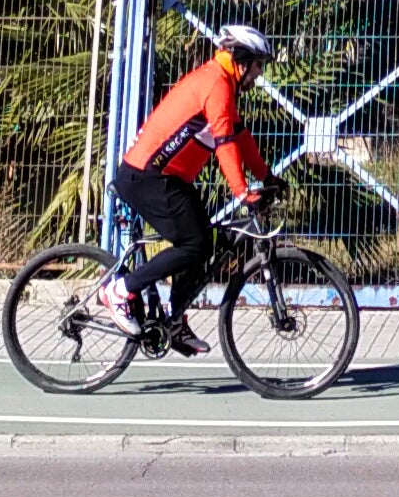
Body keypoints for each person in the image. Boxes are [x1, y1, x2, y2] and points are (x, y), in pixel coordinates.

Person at [113, 20, 276, 352]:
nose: (259, 74)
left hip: (169, 179)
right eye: (259, 65)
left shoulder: (224, 85)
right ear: (243, 59)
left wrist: (269, 178)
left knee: (204, 242)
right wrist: (244, 192)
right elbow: (225, 143)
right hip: (146, 176)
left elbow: (242, 138)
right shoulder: (216, 83)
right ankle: (120, 290)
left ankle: (174, 320)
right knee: (194, 244)